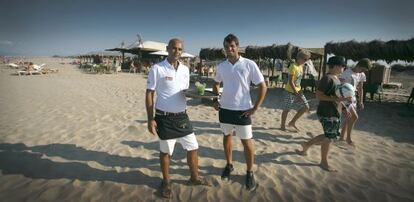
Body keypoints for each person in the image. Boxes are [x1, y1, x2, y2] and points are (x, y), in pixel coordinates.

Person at [145, 38, 210, 198]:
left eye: (180, 49)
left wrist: (200, 95)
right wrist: (150, 118)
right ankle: (166, 182)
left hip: (182, 117)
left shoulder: (185, 70)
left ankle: (194, 178)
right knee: (166, 152)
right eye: (174, 48)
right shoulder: (157, 68)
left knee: (193, 147)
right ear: (168, 49)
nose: (177, 52)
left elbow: (184, 91)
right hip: (164, 118)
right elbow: (149, 93)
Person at [212, 34, 267, 191]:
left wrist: (255, 107)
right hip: (225, 109)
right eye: (226, 46)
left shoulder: (249, 64)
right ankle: (229, 165)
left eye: (232, 46)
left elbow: (263, 86)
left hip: (243, 110)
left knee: (247, 142)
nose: (229, 49)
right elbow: (216, 83)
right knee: (227, 137)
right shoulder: (222, 66)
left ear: (237, 47)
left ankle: (249, 172)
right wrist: (215, 100)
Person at [296, 56, 351, 172]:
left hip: (335, 111)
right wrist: (337, 100)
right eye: (343, 66)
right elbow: (318, 95)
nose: (344, 68)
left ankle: (306, 145)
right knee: (329, 137)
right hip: (327, 112)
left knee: (330, 136)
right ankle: (323, 162)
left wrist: (345, 107)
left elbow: (337, 97)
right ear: (336, 66)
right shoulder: (327, 79)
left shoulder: (336, 78)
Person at [339, 58, 372, 146]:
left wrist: (361, 101)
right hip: (345, 99)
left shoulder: (361, 75)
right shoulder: (346, 73)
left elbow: (360, 88)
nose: (362, 71)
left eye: (364, 70)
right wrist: (341, 100)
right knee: (354, 117)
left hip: (353, 99)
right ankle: (348, 138)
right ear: (359, 65)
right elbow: (339, 87)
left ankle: (342, 137)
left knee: (349, 118)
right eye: (362, 69)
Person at [280, 50, 311, 132]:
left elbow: (298, 81)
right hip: (290, 91)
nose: (306, 61)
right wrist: (296, 94)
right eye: (305, 59)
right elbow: (290, 82)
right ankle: (282, 126)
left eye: (307, 60)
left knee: (306, 107)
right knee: (287, 109)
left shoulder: (300, 67)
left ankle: (292, 122)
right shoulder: (293, 66)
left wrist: (298, 92)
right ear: (299, 58)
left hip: (298, 91)